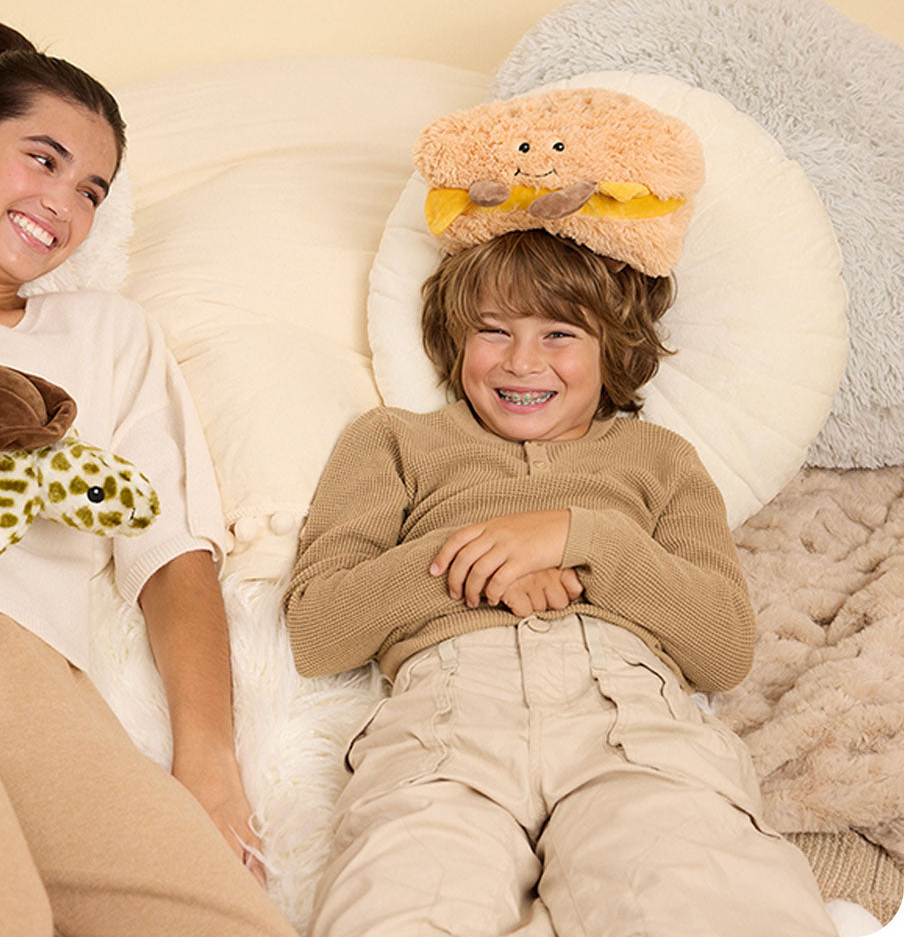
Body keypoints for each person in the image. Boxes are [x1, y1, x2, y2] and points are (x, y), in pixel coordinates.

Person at [284, 229, 838, 936]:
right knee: (400, 905)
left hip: (631, 726)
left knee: (703, 896)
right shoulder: (392, 439)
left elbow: (724, 647)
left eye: (559, 333)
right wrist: (484, 562)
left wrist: (580, 538)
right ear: (456, 339)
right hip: (446, 730)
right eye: (493, 330)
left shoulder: (662, 458)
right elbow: (317, 629)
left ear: (614, 349)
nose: (521, 361)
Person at [0, 16, 296, 937]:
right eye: (41, 160)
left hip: (37, 668)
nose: (63, 205)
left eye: (90, 190)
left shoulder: (110, 333)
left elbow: (170, 550)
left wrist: (210, 763)